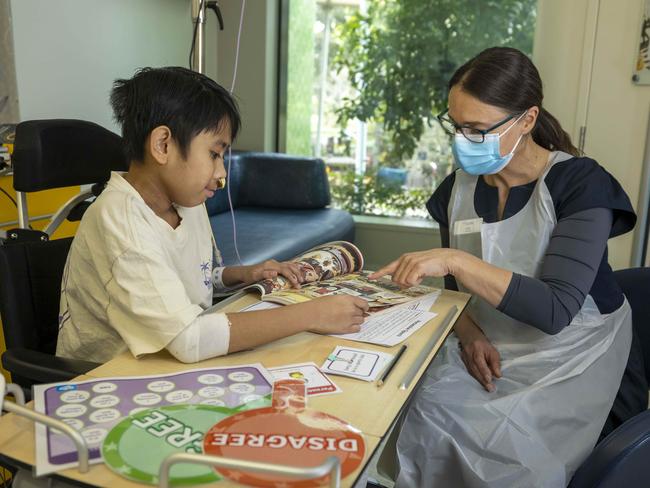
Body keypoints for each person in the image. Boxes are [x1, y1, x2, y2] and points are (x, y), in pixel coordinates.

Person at [369, 47, 646, 487]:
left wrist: (456, 258)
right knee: (419, 410)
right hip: (494, 341)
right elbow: (459, 293)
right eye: (455, 126)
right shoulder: (455, 191)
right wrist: (469, 331)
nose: (463, 140)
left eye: (477, 129)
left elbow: (555, 311)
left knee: (507, 457)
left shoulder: (579, 184)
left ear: (528, 120)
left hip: (573, 352)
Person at [56, 67, 368, 365]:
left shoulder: (185, 202)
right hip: (107, 377)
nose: (221, 174)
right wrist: (312, 314)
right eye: (214, 154)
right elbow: (188, 339)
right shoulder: (119, 219)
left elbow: (190, 281)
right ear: (163, 145)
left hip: (168, 362)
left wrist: (239, 275)